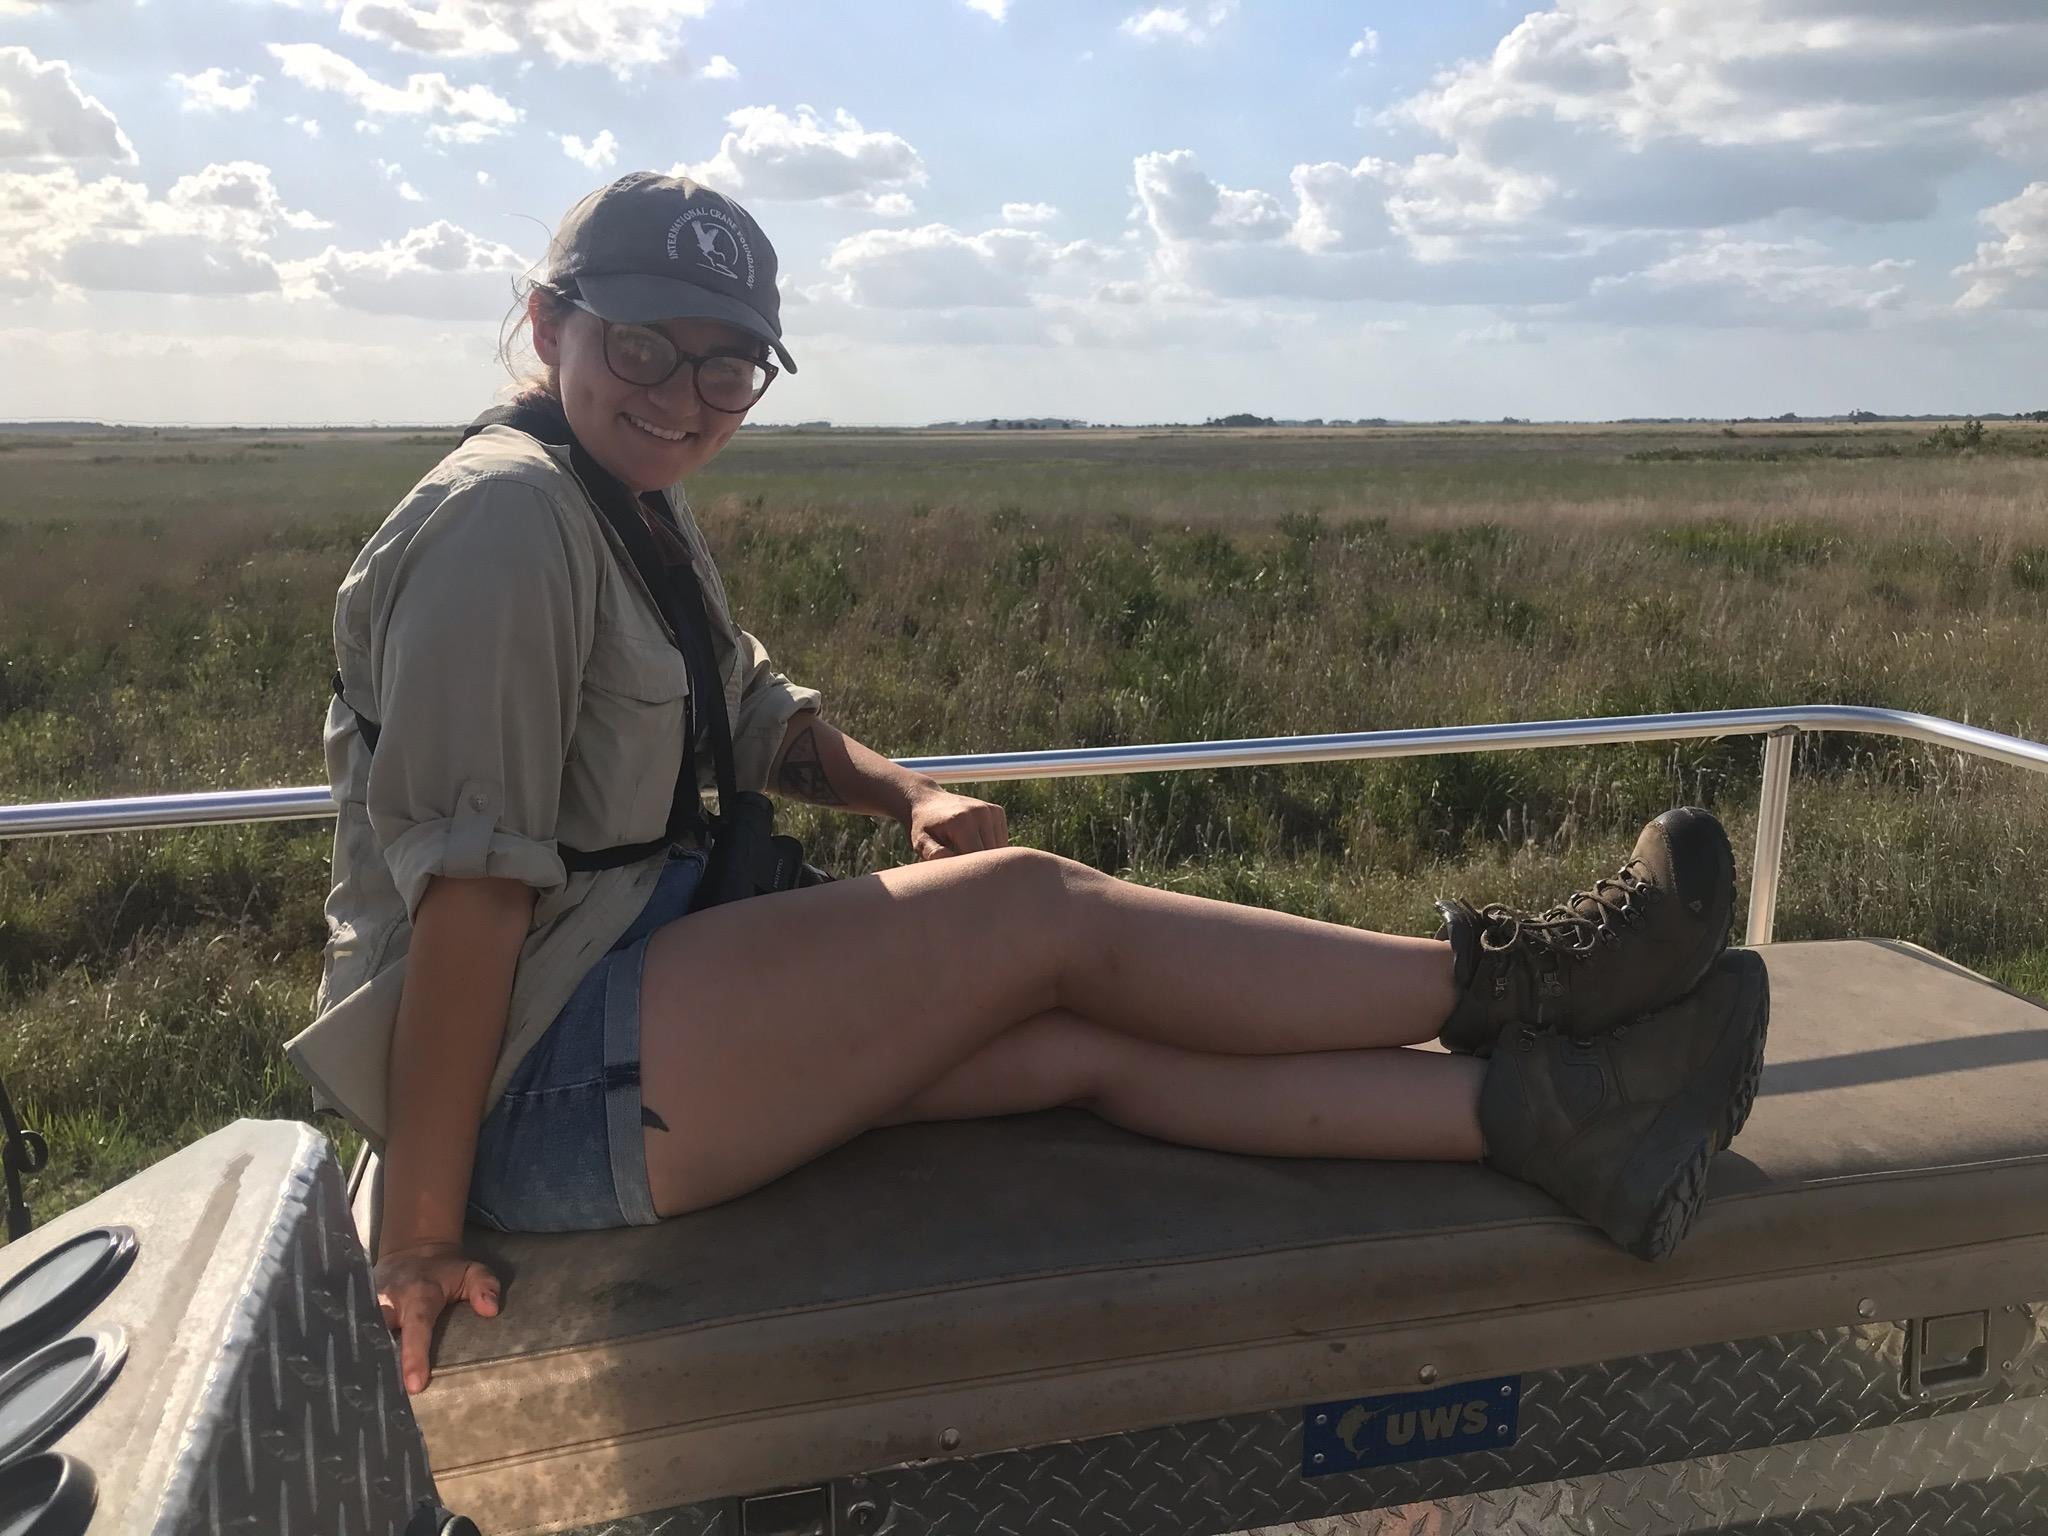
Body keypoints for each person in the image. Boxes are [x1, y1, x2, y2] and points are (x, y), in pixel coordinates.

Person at [308, 172, 1769, 1398]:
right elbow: (476, 893)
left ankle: (1572, 1119)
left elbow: (748, 712)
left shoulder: (622, 496)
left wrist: (902, 799)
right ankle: (1549, 982)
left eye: (726, 366)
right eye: (643, 349)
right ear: (550, 323)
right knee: (1038, 919)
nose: (686, 398)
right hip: (539, 1075)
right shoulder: (506, 523)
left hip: (634, 1010)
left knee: (1086, 1045)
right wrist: (422, 1230)